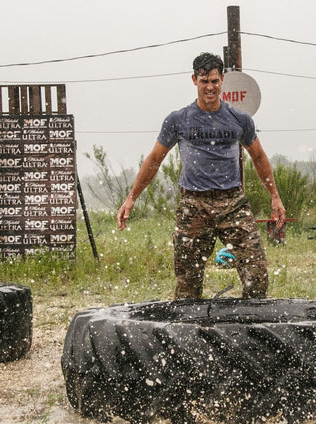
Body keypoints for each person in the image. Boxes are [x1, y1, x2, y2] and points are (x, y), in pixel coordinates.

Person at [116, 52, 286, 299]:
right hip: (194, 205)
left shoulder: (238, 119)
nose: (210, 87)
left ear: (222, 81)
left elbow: (258, 157)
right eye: (204, 81)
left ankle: (250, 327)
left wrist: (275, 196)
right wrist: (131, 197)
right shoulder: (178, 120)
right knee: (188, 284)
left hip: (233, 203)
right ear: (194, 80)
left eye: (214, 81)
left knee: (256, 274)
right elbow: (154, 160)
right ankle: (190, 332)